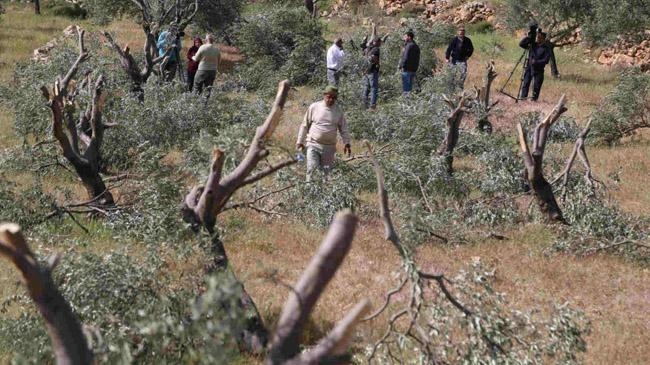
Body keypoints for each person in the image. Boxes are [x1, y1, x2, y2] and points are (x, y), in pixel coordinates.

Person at [296, 86, 351, 180]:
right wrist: (299, 141)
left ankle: (323, 193)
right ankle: (309, 192)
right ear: (324, 95)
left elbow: (344, 129)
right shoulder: (314, 107)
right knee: (312, 170)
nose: (331, 99)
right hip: (313, 144)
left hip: (329, 148)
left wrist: (347, 143)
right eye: (329, 97)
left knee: (326, 173)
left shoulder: (338, 111)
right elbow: (304, 125)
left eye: (334, 98)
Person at [519, 31, 551, 101]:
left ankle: (534, 100)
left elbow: (546, 60)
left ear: (543, 39)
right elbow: (521, 44)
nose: (538, 39)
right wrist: (529, 37)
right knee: (526, 83)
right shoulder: (533, 45)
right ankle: (523, 99)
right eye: (537, 37)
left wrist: (536, 62)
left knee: (537, 85)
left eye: (539, 38)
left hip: (538, 69)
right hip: (529, 67)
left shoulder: (546, 48)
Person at [361, 37, 381, 109]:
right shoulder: (376, 49)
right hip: (372, 71)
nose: (380, 43)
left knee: (366, 88)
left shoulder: (368, 49)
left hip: (367, 72)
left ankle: (364, 104)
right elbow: (374, 58)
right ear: (377, 42)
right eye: (380, 42)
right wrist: (378, 63)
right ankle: (372, 106)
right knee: (374, 89)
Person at [399, 29, 420, 95]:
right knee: (409, 88)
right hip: (413, 69)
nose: (404, 38)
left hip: (407, 70)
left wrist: (401, 66)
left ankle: (406, 103)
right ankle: (409, 103)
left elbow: (405, 57)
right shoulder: (416, 46)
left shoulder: (408, 46)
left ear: (409, 37)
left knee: (406, 88)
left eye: (405, 37)